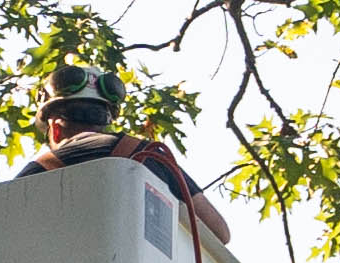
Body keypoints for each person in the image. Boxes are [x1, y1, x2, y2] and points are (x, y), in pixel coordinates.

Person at [17, 62, 231, 242]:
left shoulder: (37, 173)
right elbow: (219, 232)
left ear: (54, 129)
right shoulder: (151, 155)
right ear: (106, 119)